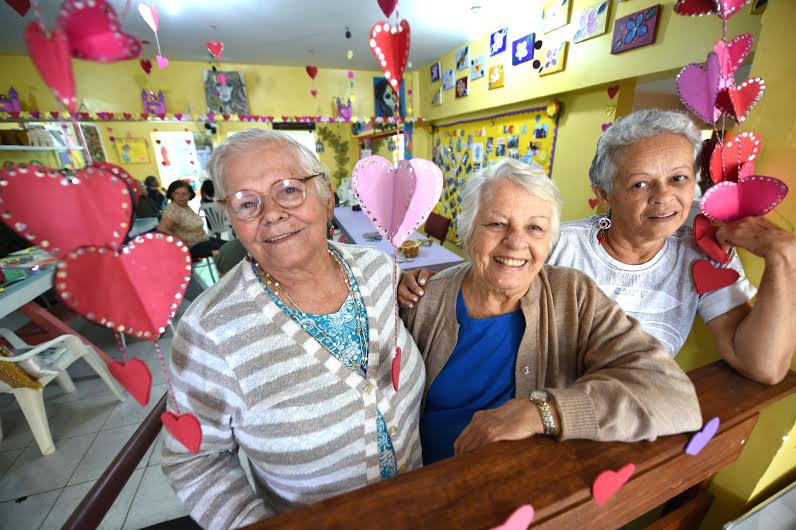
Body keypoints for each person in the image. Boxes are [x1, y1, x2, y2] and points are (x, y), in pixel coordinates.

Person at [400, 110, 796, 385]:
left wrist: (782, 260)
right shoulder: (561, 246)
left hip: (624, 421)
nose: (665, 198)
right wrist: (423, 281)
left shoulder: (703, 251)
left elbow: (763, 366)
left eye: (678, 178)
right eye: (640, 184)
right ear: (603, 193)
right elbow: (485, 283)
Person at [161, 129, 425, 529]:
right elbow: (193, 460)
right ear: (231, 218)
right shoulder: (209, 330)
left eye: (288, 190)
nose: (271, 213)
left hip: (423, 503)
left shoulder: (376, 267)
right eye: (246, 203)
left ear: (326, 195)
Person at [401, 159, 701, 465]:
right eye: (496, 223)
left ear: (549, 241)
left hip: (530, 484)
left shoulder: (573, 295)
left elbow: (675, 398)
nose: (516, 241)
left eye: (534, 228)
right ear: (467, 232)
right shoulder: (424, 298)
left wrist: (544, 412)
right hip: (427, 479)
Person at [157, 180, 224, 260]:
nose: (181, 196)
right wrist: (180, 243)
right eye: (177, 193)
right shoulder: (172, 209)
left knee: (232, 245)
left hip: (204, 240)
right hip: (192, 247)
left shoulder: (184, 206)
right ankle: (227, 271)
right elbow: (161, 229)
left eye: (184, 194)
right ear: (172, 194)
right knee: (228, 250)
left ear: (190, 195)